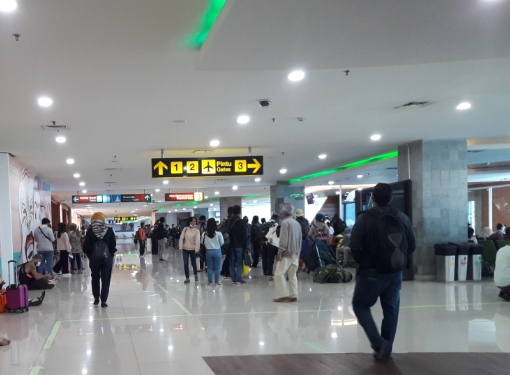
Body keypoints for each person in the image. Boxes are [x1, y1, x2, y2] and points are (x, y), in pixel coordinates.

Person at [350, 183, 416, 360]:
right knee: (391, 310)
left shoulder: (365, 218)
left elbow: (354, 246)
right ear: (391, 198)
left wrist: (364, 262)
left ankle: (379, 343)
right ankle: (386, 349)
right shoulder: (402, 217)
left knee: (360, 305)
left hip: (371, 273)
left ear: (373, 199)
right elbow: (411, 245)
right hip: (395, 274)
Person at [83, 212, 117, 308]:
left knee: (95, 278)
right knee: (106, 279)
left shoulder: (90, 231)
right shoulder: (109, 230)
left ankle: (96, 298)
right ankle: (104, 301)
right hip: (107, 259)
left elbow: (85, 247)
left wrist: (90, 255)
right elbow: (113, 246)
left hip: (94, 259)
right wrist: (110, 255)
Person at [273, 204, 302, 303]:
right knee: (292, 274)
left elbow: (283, 240)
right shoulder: (296, 223)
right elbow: (300, 239)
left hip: (287, 252)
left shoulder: (285, 223)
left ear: (283, 212)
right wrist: (298, 251)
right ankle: (293, 294)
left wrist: (280, 252)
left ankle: (282, 295)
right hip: (295, 253)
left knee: (279, 274)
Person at [202, 218, 224, 286]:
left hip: (209, 252)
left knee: (210, 267)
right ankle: (217, 282)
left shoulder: (204, 234)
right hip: (217, 251)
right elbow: (222, 243)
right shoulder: (219, 233)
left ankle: (209, 282)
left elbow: (202, 242)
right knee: (217, 268)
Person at [179, 217, 201, 283]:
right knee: (185, 263)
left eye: (195, 221)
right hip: (185, 249)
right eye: (193, 221)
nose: (194, 222)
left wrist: (197, 249)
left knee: (193, 263)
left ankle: (195, 274)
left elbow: (198, 241)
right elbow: (181, 238)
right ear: (190, 222)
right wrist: (180, 247)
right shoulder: (185, 229)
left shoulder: (197, 231)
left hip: (193, 249)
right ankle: (187, 277)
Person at [229, 205, 247, 285]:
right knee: (239, 262)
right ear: (239, 211)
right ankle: (238, 279)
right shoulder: (241, 222)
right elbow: (244, 235)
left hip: (231, 244)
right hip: (239, 245)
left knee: (232, 262)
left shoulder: (229, 221)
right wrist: (246, 246)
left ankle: (233, 278)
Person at [261, 213, 279, 279]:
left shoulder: (264, 224)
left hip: (264, 243)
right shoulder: (275, 225)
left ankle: (266, 272)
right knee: (276, 259)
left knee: (266, 258)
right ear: (277, 219)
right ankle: (277, 272)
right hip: (274, 244)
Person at [265, 216, 281, 281]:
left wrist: (271, 238)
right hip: (278, 246)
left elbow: (267, 236)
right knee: (279, 261)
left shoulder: (272, 227)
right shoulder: (281, 228)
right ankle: (278, 274)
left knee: (270, 261)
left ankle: (270, 275)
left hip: (271, 245)